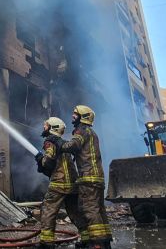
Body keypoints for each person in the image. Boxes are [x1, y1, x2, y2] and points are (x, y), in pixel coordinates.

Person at [53, 105, 112, 249]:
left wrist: (57, 141)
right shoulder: (92, 132)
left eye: (75, 114)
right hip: (97, 177)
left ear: (83, 117)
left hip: (88, 178)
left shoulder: (82, 130)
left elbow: (72, 146)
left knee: (89, 209)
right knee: (98, 209)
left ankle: (97, 244)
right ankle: (104, 241)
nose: (73, 116)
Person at [34, 117, 88, 249]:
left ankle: (46, 243)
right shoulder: (63, 143)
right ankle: (87, 239)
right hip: (73, 184)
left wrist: (41, 160)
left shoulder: (49, 142)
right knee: (75, 212)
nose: (44, 127)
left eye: (46, 125)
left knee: (48, 210)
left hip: (59, 183)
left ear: (52, 128)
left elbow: (48, 161)